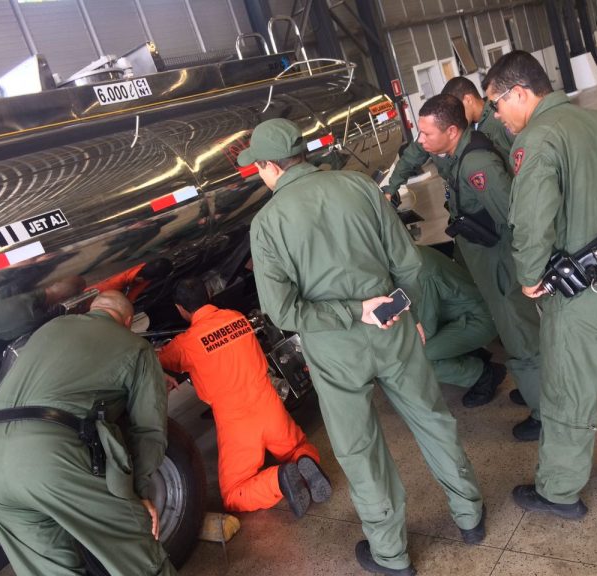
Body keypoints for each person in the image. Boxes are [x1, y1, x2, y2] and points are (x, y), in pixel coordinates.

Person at [242, 118, 484, 576]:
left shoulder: (268, 223)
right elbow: (408, 263)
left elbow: (283, 312)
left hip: (336, 353)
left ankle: (392, 555)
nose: (259, 174)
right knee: (432, 420)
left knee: (360, 449)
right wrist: (404, 313)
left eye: (259, 167)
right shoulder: (359, 187)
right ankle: (470, 515)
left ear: (272, 166)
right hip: (391, 328)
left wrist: (352, 311)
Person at [483, 50, 597, 517]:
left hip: (580, 288)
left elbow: (530, 220)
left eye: (497, 103)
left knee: (568, 387)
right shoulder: (596, 121)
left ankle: (558, 490)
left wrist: (529, 277)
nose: (496, 115)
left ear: (519, 92)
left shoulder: (538, 139)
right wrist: (590, 204)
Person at [0, 290, 175, 576]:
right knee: (138, 561)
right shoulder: (134, 346)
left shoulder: (49, 329)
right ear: (127, 321)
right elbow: (149, 429)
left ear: (91, 308)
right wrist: (138, 493)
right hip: (46, 456)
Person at [414, 94, 543, 440]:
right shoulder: (457, 155)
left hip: (501, 265)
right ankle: (535, 391)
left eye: (427, 134)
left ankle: (545, 412)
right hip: (487, 263)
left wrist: (521, 271)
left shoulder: (476, 164)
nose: (421, 141)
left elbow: (515, 220)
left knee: (521, 336)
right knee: (514, 333)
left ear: (452, 131)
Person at [158, 277, 331, 518]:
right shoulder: (237, 318)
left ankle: (278, 480)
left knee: (233, 494)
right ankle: (303, 464)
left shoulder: (185, 344)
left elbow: (152, 362)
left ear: (180, 309)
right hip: (270, 405)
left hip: (237, 422)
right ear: (208, 293)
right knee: (299, 448)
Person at [384, 76, 514, 204]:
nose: (453, 114)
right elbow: (410, 157)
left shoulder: (501, 120)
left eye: (457, 109)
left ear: (468, 100)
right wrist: (390, 190)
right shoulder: (437, 133)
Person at [414, 245, 504, 407]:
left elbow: (426, 331)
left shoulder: (420, 269)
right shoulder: (413, 253)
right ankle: (472, 353)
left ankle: (483, 375)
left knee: (418, 358)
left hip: (478, 320)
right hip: (459, 315)